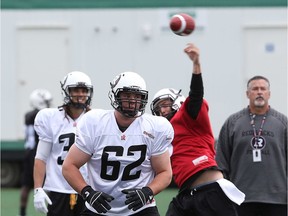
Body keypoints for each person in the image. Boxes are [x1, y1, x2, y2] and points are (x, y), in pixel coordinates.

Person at [150, 43, 245, 216]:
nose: (162, 111)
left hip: (211, 191)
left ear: (178, 102)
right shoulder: (160, 135)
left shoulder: (187, 116)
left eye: (165, 105)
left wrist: (196, 64)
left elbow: (196, 95)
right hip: (186, 196)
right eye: (158, 109)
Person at [62, 71, 174, 216]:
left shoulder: (155, 127)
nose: (133, 100)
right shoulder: (95, 123)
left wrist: (147, 192)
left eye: (137, 96)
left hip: (140, 208)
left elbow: (165, 172)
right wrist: (88, 192)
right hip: (99, 208)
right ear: (116, 95)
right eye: (127, 95)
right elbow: (69, 166)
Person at [215, 75, 287, 216]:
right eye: (255, 89)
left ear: (269, 94)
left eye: (263, 89)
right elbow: (221, 163)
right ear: (247, 94)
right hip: (240, 199)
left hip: (277, 200)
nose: (259, 92)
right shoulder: (233, 122)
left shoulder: (283, 123)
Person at [33, 71, 94, 216]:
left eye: (84, 90)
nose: (80, 94)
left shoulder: (95, 119)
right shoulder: (50, 117)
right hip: (58, 188)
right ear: (67, 91)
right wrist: (38, 188)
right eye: (76, 90)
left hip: (87, 187)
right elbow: (41, 157)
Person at [19, 89, 52, 216]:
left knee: (26, 185)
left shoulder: (28, 115)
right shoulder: (39, 115)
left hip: (29, 151)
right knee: (46, 184)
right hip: (37, 152)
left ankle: (22, 212)